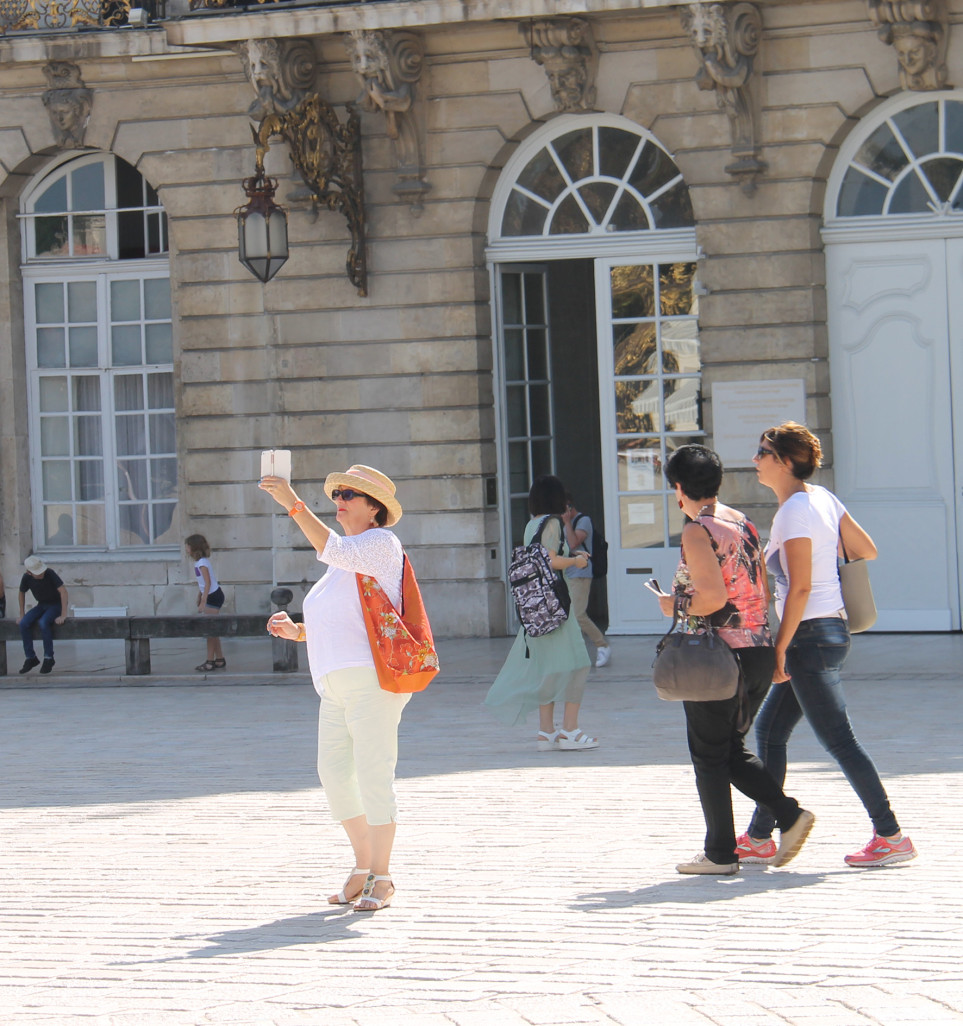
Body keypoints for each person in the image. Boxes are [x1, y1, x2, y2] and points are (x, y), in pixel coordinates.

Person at [743, 422, 917, 869]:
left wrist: (779, 648)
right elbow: (866, 549)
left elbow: (799, 588)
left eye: (762, 452)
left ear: (783, 462)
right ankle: (761, 834)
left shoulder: (794, 512)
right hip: (828, 632)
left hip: (809, 637)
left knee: (839, 740)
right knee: (770, 731)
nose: (756, 459)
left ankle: (890, 834)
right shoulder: (821, 499)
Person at [650, 445, 815, 874]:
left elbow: (713, 597)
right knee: (727, 751)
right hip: (756, 650)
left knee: (709, 754)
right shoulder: (742, 523)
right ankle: (731, 845)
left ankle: (752, 835)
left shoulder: (696, 530)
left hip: (718, 656)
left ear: (679, 488)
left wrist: (675, 605)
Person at [260, 464, 416, 911]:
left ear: (375, 508)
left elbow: (328, 544)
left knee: (373, 774)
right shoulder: (345, 559)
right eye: (338, 494)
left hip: (372, 681)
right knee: (334, 775)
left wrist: (292, 501)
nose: (340, 500)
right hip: (335, 684)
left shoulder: (381, 544)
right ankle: (364, 865)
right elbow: (348, 621)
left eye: (350, 494)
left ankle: (382, 877)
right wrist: (300, 632)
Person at [485, 475, 598, 751]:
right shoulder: (553, 522)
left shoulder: (531, 525)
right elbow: (551, 559)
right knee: (578, 664)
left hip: (535, 610)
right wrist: (578, 560)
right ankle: (570, 730)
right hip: (556, 607)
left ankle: (546, 732)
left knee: (548, 668)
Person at [562, 494, 611, 667]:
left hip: (581, 573)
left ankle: (602, 645)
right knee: (567, 616)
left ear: (569, 506)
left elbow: (574, 543)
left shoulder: (583, 521)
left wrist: (567, 522)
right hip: (568, 572)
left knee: (578, 614)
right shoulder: (560, 525)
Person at [17, 556, 68, 674]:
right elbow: (21, 593)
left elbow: (63, 591)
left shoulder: (49, 573)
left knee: (43, 622)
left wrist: (63, 614)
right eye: (37, 574)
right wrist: (21, 614)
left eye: (41, 572)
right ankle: (31, 657)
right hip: (42, 604)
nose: (41, 575)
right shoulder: (26, 578)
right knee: (24, 623)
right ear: (29, 573)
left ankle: (49, 657)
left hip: (55, 605)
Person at [185, 534, 226, 673]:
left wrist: (203, 601)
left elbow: (208, 582)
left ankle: (210, 661)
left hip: (213, 596)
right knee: (213, 630)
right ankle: (219, 658)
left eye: (188, 546)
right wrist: (200, 595)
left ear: (194, 548)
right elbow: (203, 584)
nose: (186, 549)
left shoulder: (202, 563)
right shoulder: (200, 563)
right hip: (211, 594)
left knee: (210, 630)